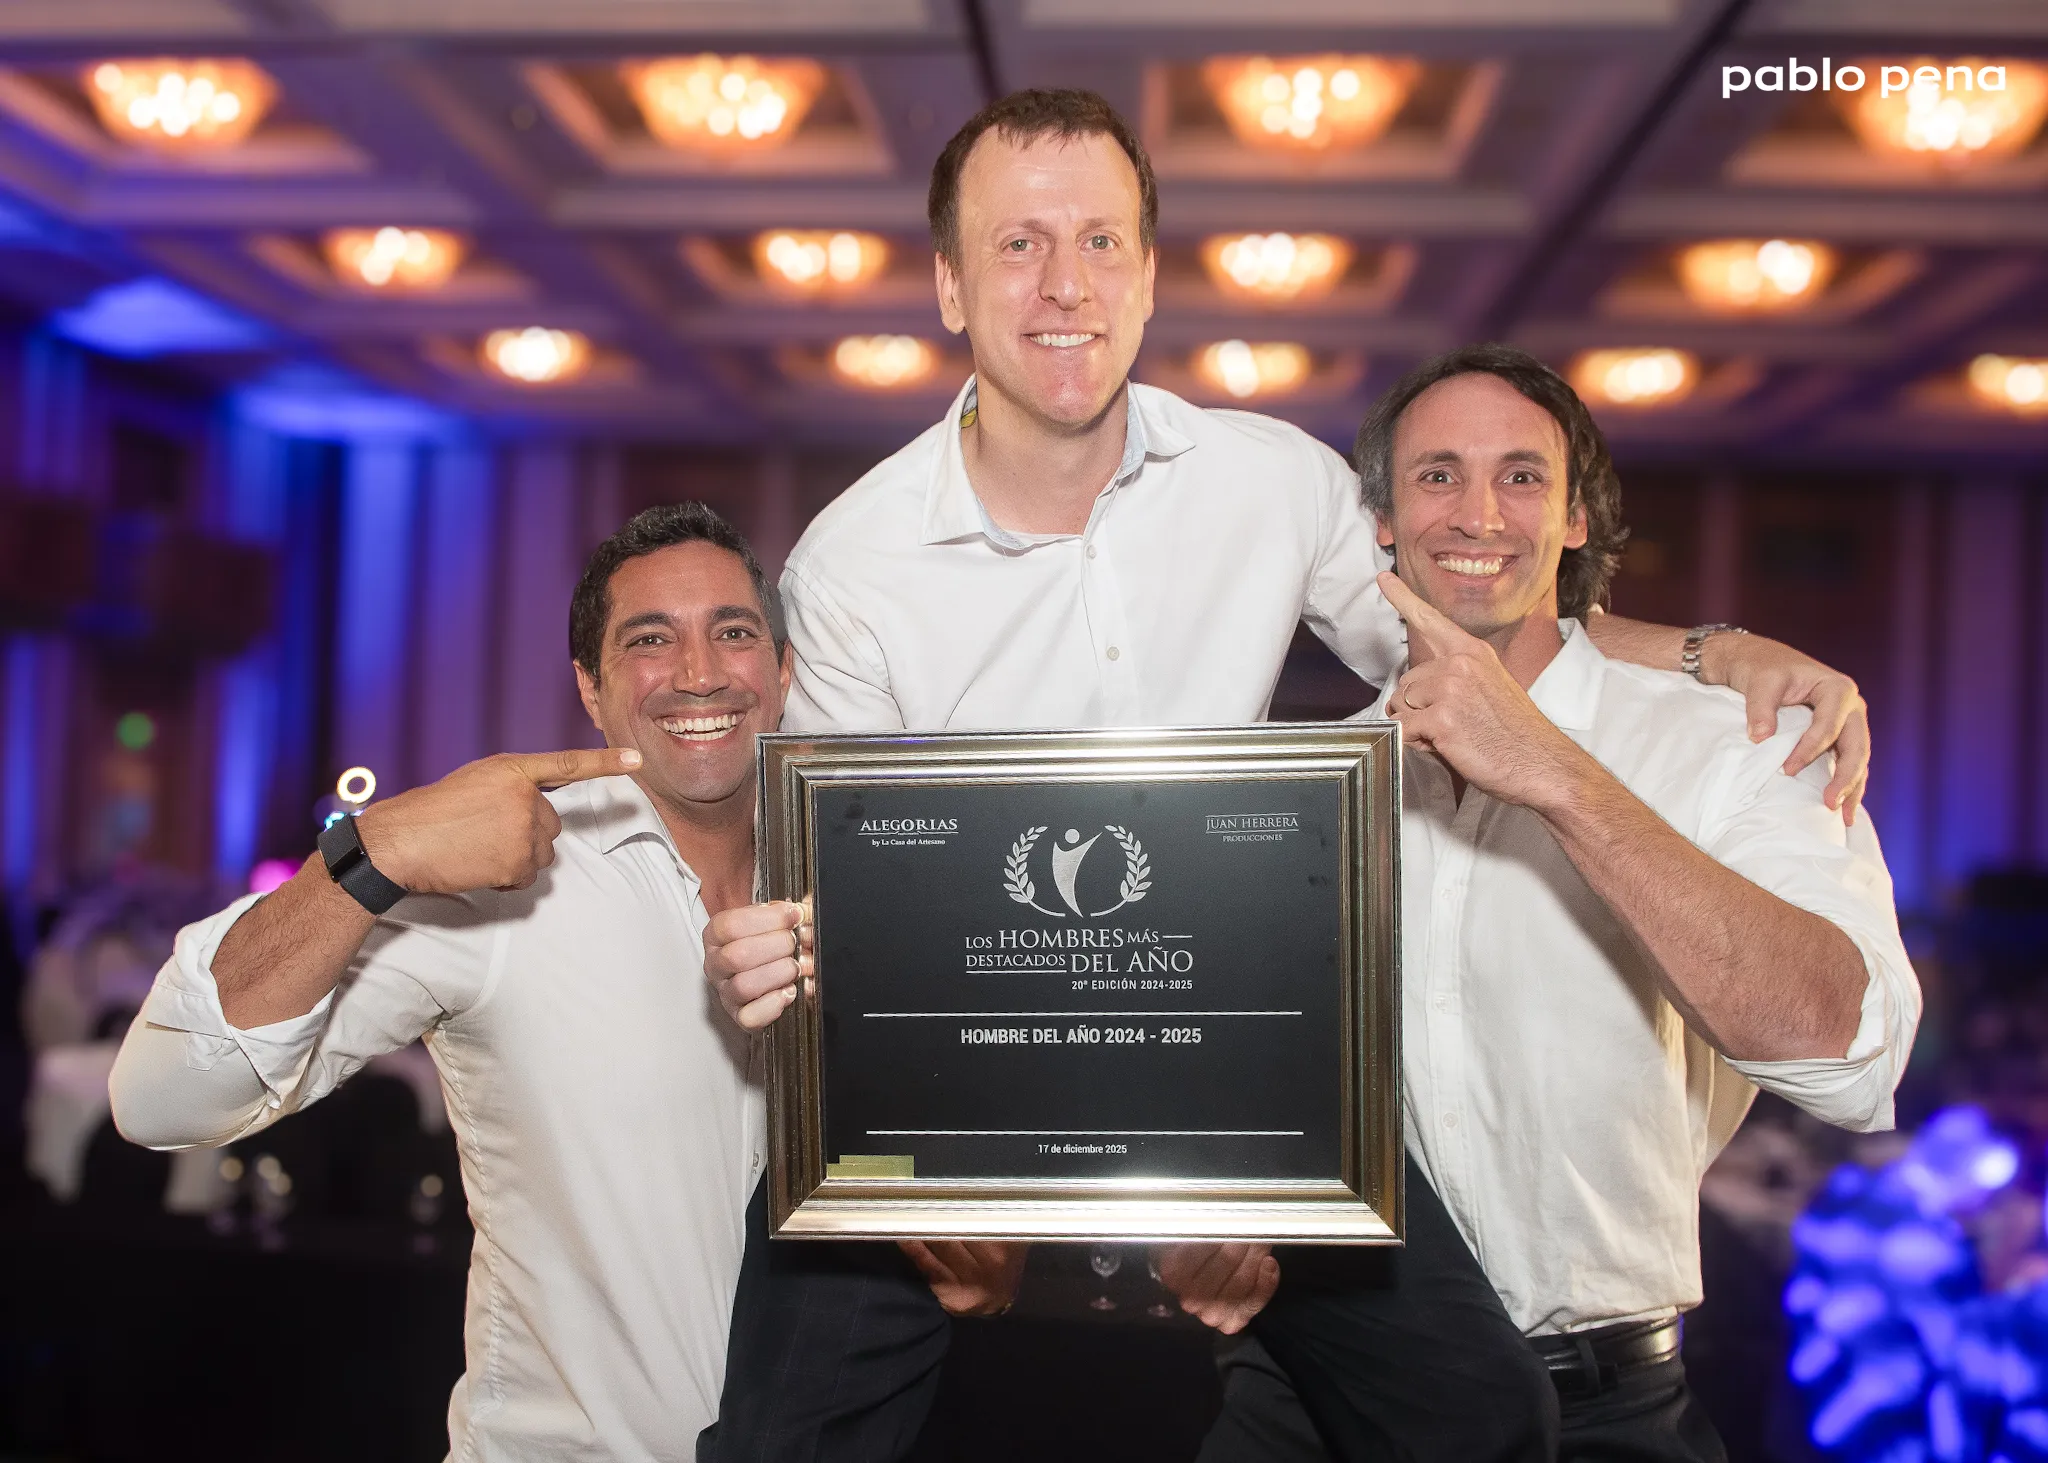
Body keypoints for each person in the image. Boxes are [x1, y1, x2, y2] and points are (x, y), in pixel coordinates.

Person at [699, 88, 1880, 1463]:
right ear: (952, 286)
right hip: (959, 1050)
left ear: (1150, 273)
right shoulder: (853, 563)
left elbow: (1476, 622)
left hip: (1230, 1048)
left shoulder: (1275, 482)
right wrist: (925, 1188)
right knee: (790, 1423)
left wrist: (1711, 646)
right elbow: (835, 908)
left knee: (1484, 1408)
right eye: (1018, 247)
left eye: (1100, 241)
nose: (1065, 283)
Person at [1239, 343, 1915, 1460]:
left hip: (1589, 1409)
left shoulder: (1735, 735)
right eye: (1437, 474)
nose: (1477, 511)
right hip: (1311, 1386)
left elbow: (1848, 1053)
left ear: (1573, 520)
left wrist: (1552, 768)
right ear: (1383, 523)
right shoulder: (1299, 787)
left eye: (1519, 476)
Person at [108, 504, 805, 1460]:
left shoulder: (839, 873)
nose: (699, 672)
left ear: (783, 667)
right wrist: (375, 848)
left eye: (732, 631)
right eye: (650, 639)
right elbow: (162, 1094)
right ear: (590, 690)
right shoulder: (507, 879)